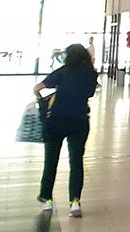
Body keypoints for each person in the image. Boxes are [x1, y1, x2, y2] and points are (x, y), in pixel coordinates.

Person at [34, 43, 99, 216]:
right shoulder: (91, 74)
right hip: (79, 121)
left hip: (55, 121)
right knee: (76, 162)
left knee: (51, 162)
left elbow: (37, 87)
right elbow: (90, 93)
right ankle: (75, 202)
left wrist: (43, 100)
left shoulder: (62, 72)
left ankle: (46, 199)